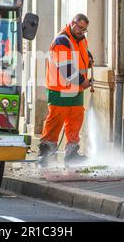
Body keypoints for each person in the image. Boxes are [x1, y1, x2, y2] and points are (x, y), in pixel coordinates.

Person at [38, 14, 94, 167]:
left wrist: (88, 58)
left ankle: (72, 153)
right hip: (59, 88)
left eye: (84, 30)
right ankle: (46, 154)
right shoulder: (62, 40)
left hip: (75, 89)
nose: (81, 31)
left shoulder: (81, 40)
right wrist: (83, 82)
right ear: (72, 23)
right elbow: (66, 68)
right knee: (56, 120)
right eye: (80, 28)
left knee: (75, 120)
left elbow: (82, 56)